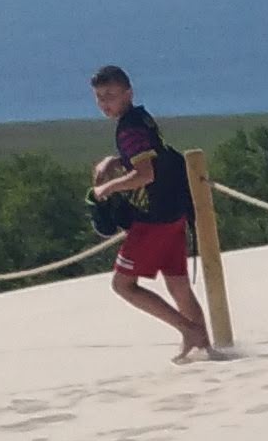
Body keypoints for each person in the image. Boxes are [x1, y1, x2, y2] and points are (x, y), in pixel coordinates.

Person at [89, 65, 214, 363]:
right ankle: (202, 347)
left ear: (128, 93)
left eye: (110, 95)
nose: (105, 103)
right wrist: (116, 161)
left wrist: (108, 188)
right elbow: (153, 155)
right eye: (100, 97)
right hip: (173, 211)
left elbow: (145, 174)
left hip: (153, 219)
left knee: (123, 285)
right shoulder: (141, 118)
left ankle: (190, 332)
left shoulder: (129, 129)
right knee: (177, 284)